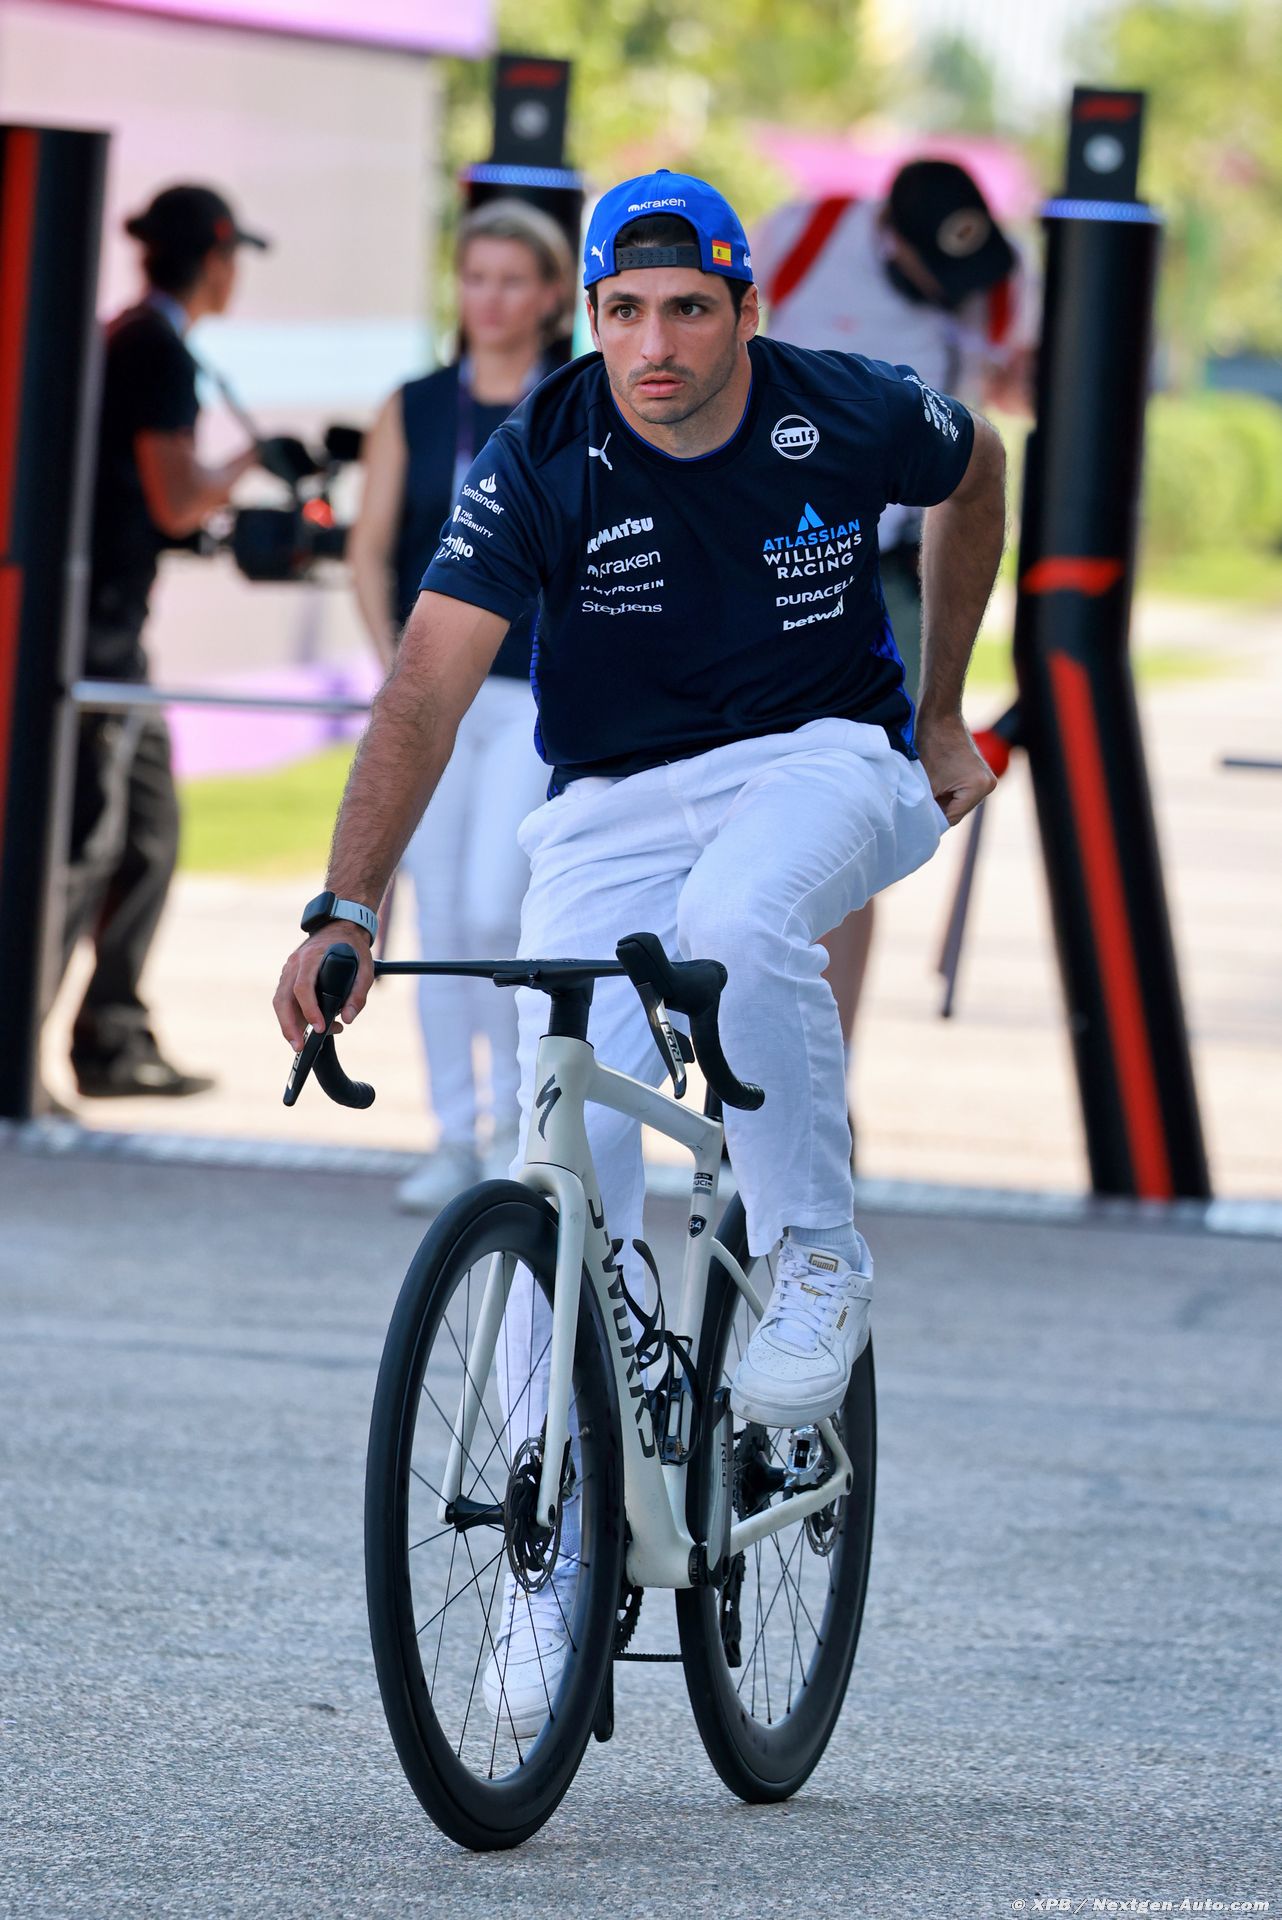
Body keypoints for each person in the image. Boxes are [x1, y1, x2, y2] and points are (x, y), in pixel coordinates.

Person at [274, 170, 1004, 1729]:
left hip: (820, 756)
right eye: (623, 312)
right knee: (560, 1168)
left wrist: (942, 707)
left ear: (745, 308)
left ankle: (815, 1253)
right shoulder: (542, 448)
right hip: (606, 802)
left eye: (687, 309)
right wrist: (348, 906)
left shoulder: (840, 407)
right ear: (591, 316)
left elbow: (977, 464)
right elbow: (424, 685)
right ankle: (546, 1578)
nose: (654, 344)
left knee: (739, 921)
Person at [754, 159, 1035, 1055]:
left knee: (846, 824)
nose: (950, 290)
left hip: (889, 576)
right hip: (761, 555)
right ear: (887, 238)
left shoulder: (996, 279)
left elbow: (1025, 386)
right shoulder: (807, 233)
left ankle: (829, 1073)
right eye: (930, 272)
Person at [347, 199, 573, 1211]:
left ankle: (520, 1131)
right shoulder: (415, 404)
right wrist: (396, 670)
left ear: (552, 295)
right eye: (475, 277)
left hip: (530, 690)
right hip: (433, 695)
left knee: (493, 906)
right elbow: (369, 550)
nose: (490, 299)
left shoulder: (574, 402)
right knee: (435, 919)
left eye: (512, 280)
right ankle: (453, 1134)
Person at [62, 183, 301, 1099]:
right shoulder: (154, 347)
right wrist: (250, 463)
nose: (236, 275)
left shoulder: (137, 338)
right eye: (233, 257)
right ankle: (34, 1055)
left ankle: (112, 1039)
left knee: (148, 834)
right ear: (211, 259)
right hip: (98, 640)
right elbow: (172, 497)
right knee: (89, 844)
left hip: (114, 634)